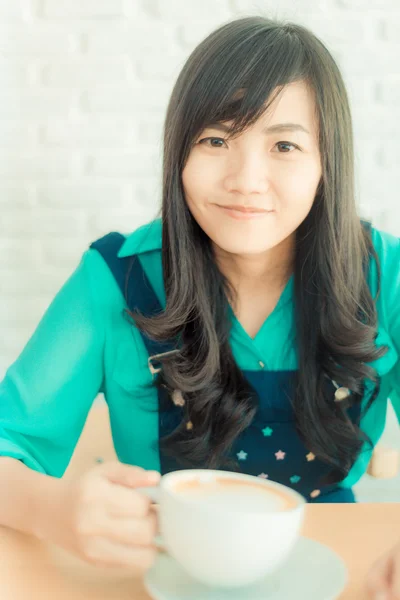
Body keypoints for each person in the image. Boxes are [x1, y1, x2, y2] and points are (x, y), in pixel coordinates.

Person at [0, 14, 399, 597]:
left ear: (325, 165)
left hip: (335, 563)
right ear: (177, 155)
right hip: (149, 572)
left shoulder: (383, 273)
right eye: (215, 140)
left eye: (284, 144)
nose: (246, 179)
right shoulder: (115, 278)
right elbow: (12, 443)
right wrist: (52, 509)